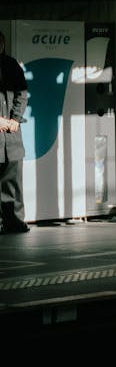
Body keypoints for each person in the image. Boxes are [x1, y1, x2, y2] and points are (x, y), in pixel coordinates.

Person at [0, 32, 29, 234]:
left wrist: (15, 119)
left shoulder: (11, 65)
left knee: (12, 181)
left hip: (11, 136)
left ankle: (14, 221)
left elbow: (22, 93)